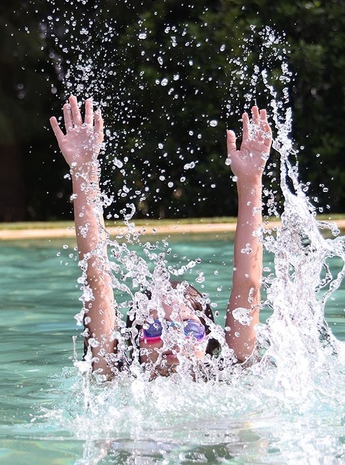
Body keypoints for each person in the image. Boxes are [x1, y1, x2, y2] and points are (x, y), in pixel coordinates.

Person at [49, 95, 272, 379]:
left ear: (209, 338)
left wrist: (251, 181)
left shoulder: (228, 373)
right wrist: (83, 169)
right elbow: (96, 278)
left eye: (190, 328)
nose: (172, 340)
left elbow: (249, 286)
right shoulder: (117, 379)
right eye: (154, 328)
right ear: (135, 341)